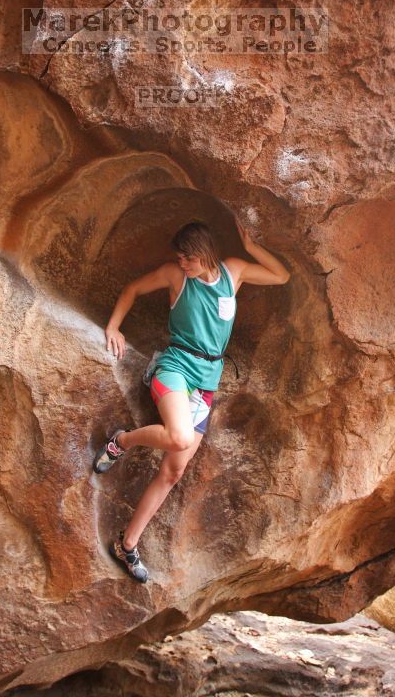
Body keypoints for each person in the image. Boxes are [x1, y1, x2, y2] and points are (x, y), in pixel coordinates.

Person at [92, 216, 291, 583]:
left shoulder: (234, 272)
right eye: (180, 258)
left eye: (188, 258)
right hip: (175, 368)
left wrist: (252, 248)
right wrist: (113, 326)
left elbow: (282, 276)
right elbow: (133, 289)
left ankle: (127, 544)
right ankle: (121, 441)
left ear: (205, 253)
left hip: (207, 382)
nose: (183, 263)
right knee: (179, 437)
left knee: (173, 470)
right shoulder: (176, 276)